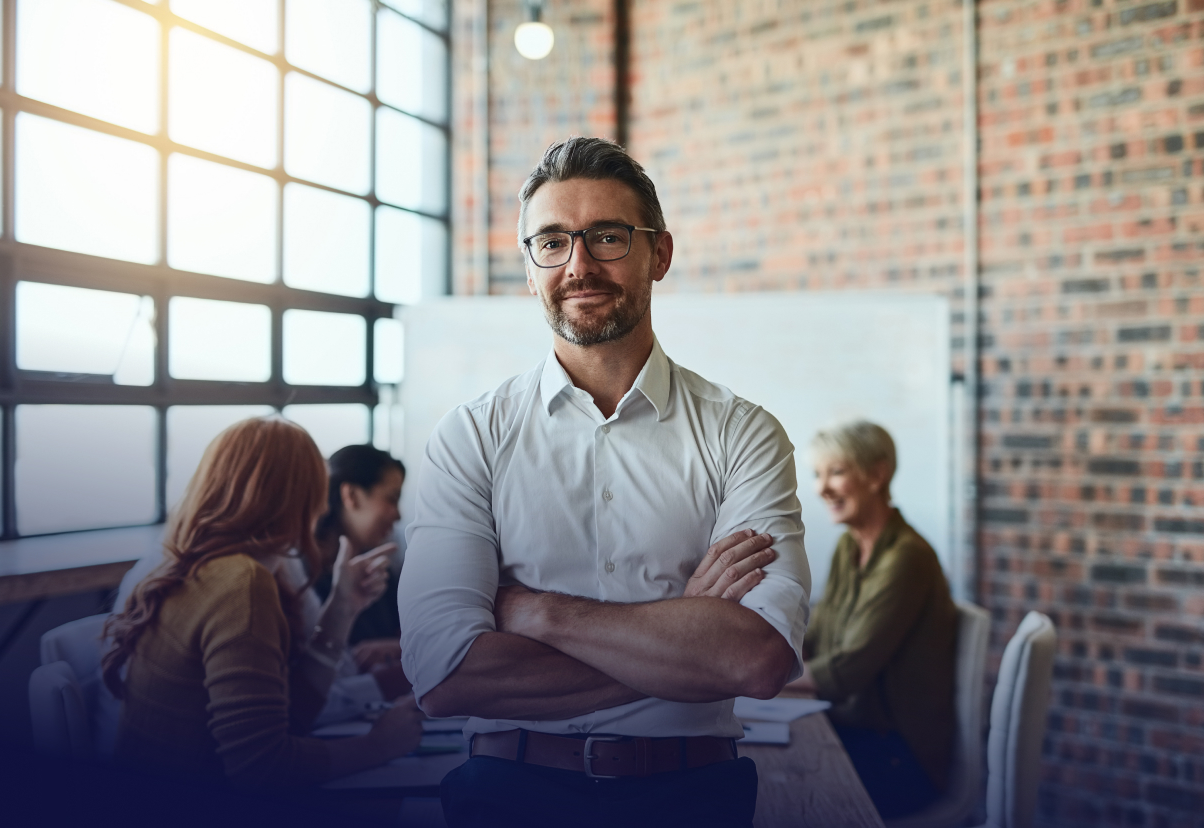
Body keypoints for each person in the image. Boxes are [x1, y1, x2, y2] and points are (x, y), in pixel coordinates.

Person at [398, 137, 812, 828]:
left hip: (692, 799)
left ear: (660, 254)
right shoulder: (471, 436)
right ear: (531, 269)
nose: (579, 265)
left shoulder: (743, 433)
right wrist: (682, 622)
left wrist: (536, 612)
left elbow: (756, 659)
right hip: (507, 794)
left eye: (608, 237)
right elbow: (445, 679)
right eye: (553, 242)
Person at [102, 416, 424, 788]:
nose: (322, 504)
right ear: (295, 496)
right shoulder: (242, 583)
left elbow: (286, 720)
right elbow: (261, 767)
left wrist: (341, 608)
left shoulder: (208, 565)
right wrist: (377, 746)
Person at [792, 420, 957, 819]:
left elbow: (849, 669)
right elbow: (815, 637)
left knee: (781, 790)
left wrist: (755, 680)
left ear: (877, 474)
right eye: (818, 474)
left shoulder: (907, 557)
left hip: (898, 757)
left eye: (836, 472)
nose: (821, 488)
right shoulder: (849, 546)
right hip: (855, 732)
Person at [313, 444, 412, 698]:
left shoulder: (380, 568)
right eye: (391, 498)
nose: (398, 515)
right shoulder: (302, 576)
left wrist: (399, 647)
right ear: (352, 496)